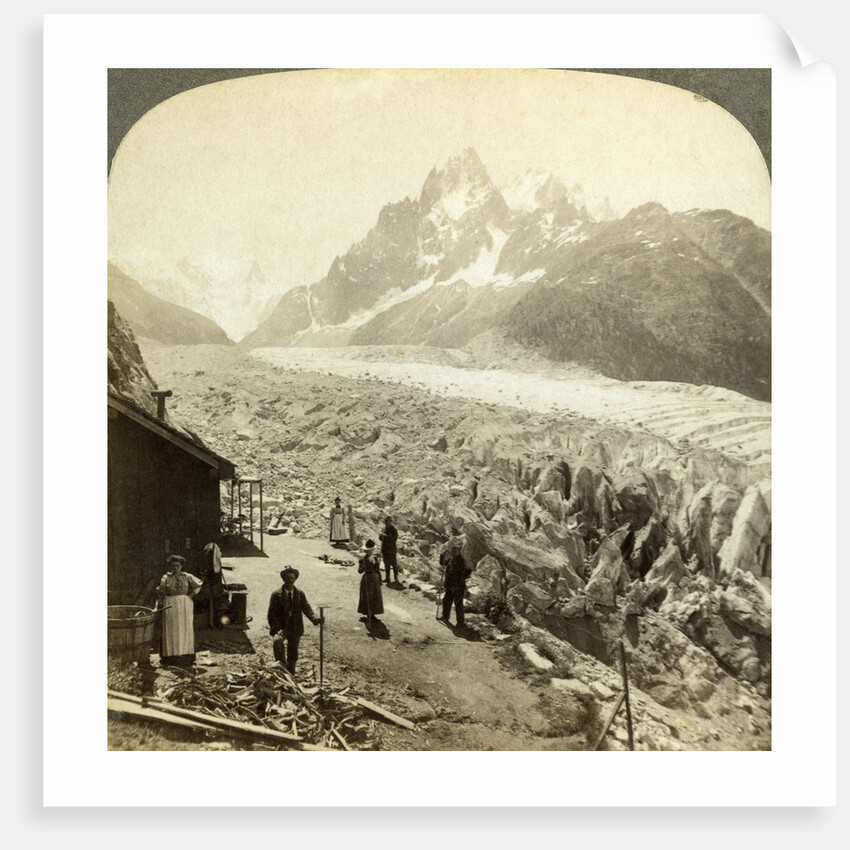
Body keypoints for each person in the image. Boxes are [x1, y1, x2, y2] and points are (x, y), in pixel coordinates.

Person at [267, 567, 322, 676]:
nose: (290, 580)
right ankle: (281, 667)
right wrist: (277, 629)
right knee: (277, 641)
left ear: (295, 579)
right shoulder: (276, 594)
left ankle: (291, 673)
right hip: (282, 627)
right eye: (287, 578)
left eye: (292, 578)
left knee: (293, 652)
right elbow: (271, 615)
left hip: (295, 627)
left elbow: (307, 608)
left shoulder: (299, 593)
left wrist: (315, 618)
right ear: (283, 579)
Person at [157, 554, 203, 666]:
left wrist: (191, 595)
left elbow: (198, 585)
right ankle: (170, 656)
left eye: (178, 565)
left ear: (181, 566)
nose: (175, 568)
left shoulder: (187, 576)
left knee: (184, 627)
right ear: (170, 566)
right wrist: (159, 604)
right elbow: (161, 592)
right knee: (171, 628)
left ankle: (186, 655)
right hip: (170, 603)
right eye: (173, 566)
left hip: (184, 603)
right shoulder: (166, 578)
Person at [438, 536, 472, 628]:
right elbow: (443, 563)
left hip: (458, 586)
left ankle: (460, 622)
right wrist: (442, 555)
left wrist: (461, 579)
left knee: (458, 604)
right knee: (446, 601)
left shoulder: (460, 561)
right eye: (452, 550)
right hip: (450, 585)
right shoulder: (452, 559)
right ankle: (445, 617)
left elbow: (467, 571)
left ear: (458, 551)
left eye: (455, 550)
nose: (453, 552)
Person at [357, 539, 384, 627]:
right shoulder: (362, 559)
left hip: (375, 579)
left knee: (375, 597)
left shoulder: (376, 558)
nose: (369, 552)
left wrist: (380, 580)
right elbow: (359, 571)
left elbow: (377, 570)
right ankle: (368, 615)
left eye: (371, 550)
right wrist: (364, 566)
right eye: (368, 550)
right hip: (367, 579)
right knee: (367, 597)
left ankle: (373, 615)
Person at [379, 516, 399, 585]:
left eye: (388, 521)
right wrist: (381, 536)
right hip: (385, 550)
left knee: (394, 564)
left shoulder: (394, 530)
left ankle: (396, 578)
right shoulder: (384, 529)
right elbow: (380, 538)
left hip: (391, 550)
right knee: (386, 564)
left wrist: (387, 536)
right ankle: (387, 578)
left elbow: (394, 539)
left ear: (391, 522)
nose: (387, 523)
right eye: (386, 522)